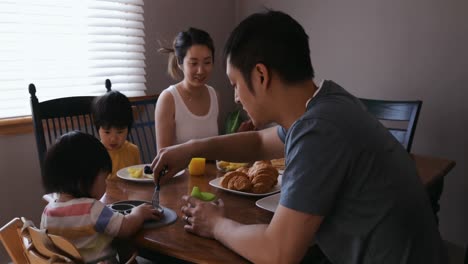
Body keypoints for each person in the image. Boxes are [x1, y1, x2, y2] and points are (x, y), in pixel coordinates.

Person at [151, 10, 447, 264]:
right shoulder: (329, 103)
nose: (236, 97)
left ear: (261, 76)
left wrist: (215, 224)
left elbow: (278, 253)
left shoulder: (318, 130)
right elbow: (258, 143)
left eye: (235, 84)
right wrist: (190, 149)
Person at [40, 131, 162, 263]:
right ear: (84, 180)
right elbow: (125, 228)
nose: (105, 185)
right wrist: (139, 213)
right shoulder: (92, 209)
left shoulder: (48, 212)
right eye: (104, 179)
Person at [155, 27, 219, 152]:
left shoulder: (214, 95)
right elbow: (162, 159)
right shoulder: (168, 99)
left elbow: (214, 150)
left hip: (211, 171)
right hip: (180, 172)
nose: (201, 70)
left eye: (207, 62)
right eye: (193, 63)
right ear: (180, 63)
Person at [92, 90, 141, 180]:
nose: (113, 139)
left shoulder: (133, 151)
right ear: (98, 129)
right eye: (107, 132)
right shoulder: (95, 154)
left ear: (128, 129)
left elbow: (137, 179)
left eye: (120, 132)